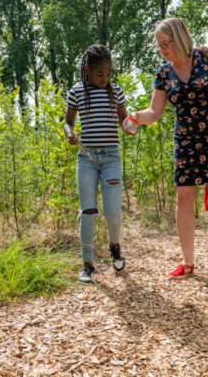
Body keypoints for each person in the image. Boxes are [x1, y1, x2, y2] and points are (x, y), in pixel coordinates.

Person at [126, 17, 208, 278]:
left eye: (166, 43)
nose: (162, 49)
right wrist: (135, 115)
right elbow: (155, 112)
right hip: (188, 141)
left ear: (179, 39)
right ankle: (188, 263)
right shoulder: (164, 73)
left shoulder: (206, 56)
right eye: (159, 45)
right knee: (184, 198)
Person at [63, 44, 130, 284]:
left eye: (108, 74)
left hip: (111, 157)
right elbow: (67, 123)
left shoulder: (116, 92)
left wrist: (130, 127)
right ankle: (88, 264)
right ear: (87, 70)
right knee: (88, 211)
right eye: (100, 74)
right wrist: (70, 134)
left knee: (113, 211)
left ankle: (114, 245)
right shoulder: (77, 92)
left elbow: (125, 121)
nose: (105, 78)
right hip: (87, 158)